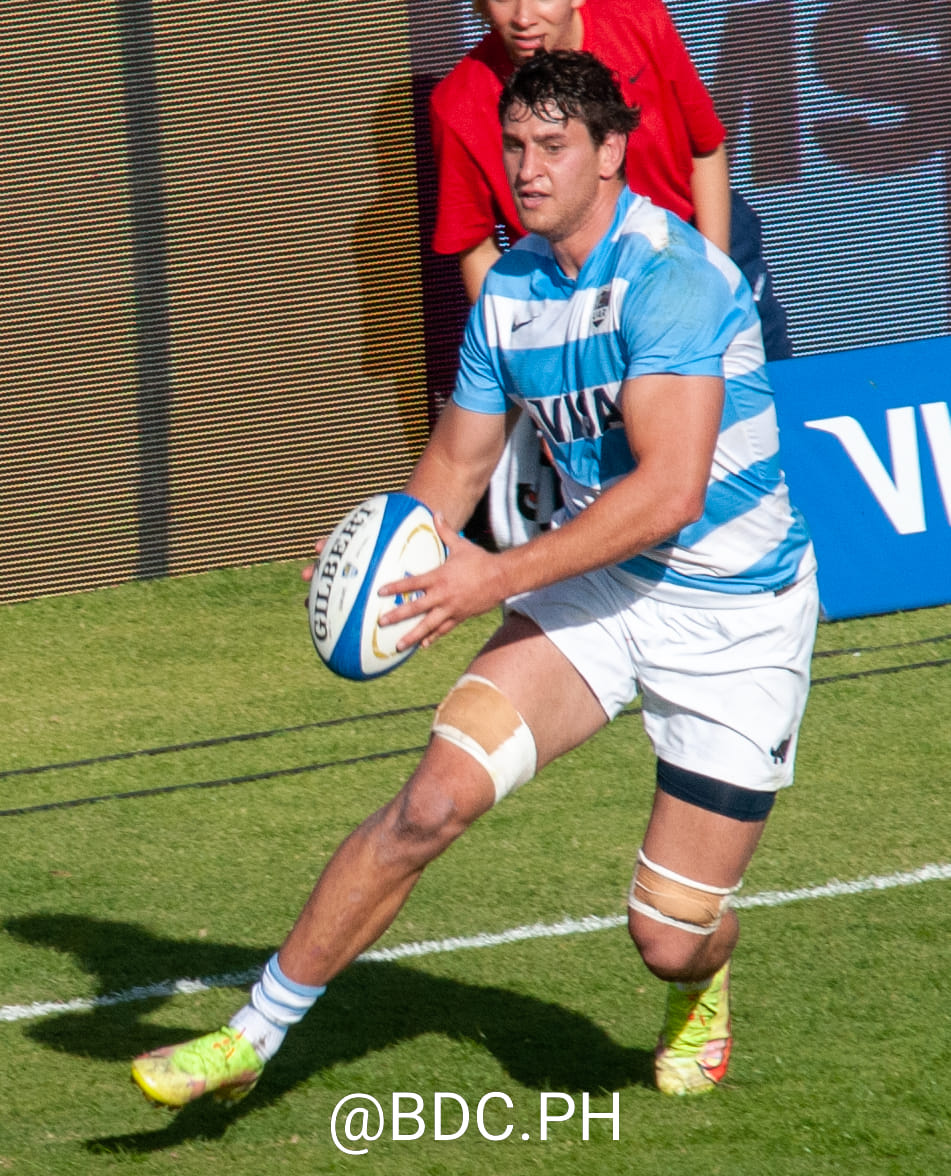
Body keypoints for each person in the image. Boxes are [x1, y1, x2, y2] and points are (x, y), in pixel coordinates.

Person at [131, 50, 818, 1107]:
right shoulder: (511, 288)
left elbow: (669, 495)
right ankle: (247, 1040)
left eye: (553, 147)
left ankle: (705, 976)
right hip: (598, 591)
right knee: (430, 803)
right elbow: (458, 463)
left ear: (612, 154)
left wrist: (490, 579)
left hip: (735, 618)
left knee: (666, 936)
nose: (527, 169)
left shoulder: (674, 277)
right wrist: (388, 556)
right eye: (514, 146)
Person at [431, 0, 791, 551]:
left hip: (697, 247)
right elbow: (474, 243)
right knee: (641, 459)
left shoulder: (640, 19)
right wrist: (527, 365)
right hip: (577, 284)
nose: (524, 15)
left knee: (758, 432)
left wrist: (713, 276)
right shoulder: (458, 100)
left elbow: (706, 146)